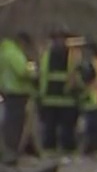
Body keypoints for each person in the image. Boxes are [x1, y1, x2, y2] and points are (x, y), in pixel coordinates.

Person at [37, 25, 84, 158]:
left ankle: (68, 153)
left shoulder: (74, 55)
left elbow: (78, 74)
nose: (59, 41)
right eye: (56, 39)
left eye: (62, 38)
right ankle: (49, 153)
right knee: (49, 129)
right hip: (49, 99)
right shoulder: (45, 54)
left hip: (68, 99)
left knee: (67, 130)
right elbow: (41, 74)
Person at [0, 31, 37, 164]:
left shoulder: (3, 52)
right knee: (15, 124)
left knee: (9, 122)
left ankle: (9, 151)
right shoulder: (14, 53)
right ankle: (12, 152)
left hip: (7, 91)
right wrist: (33, 69)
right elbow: (22, 70)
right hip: (17, 92)